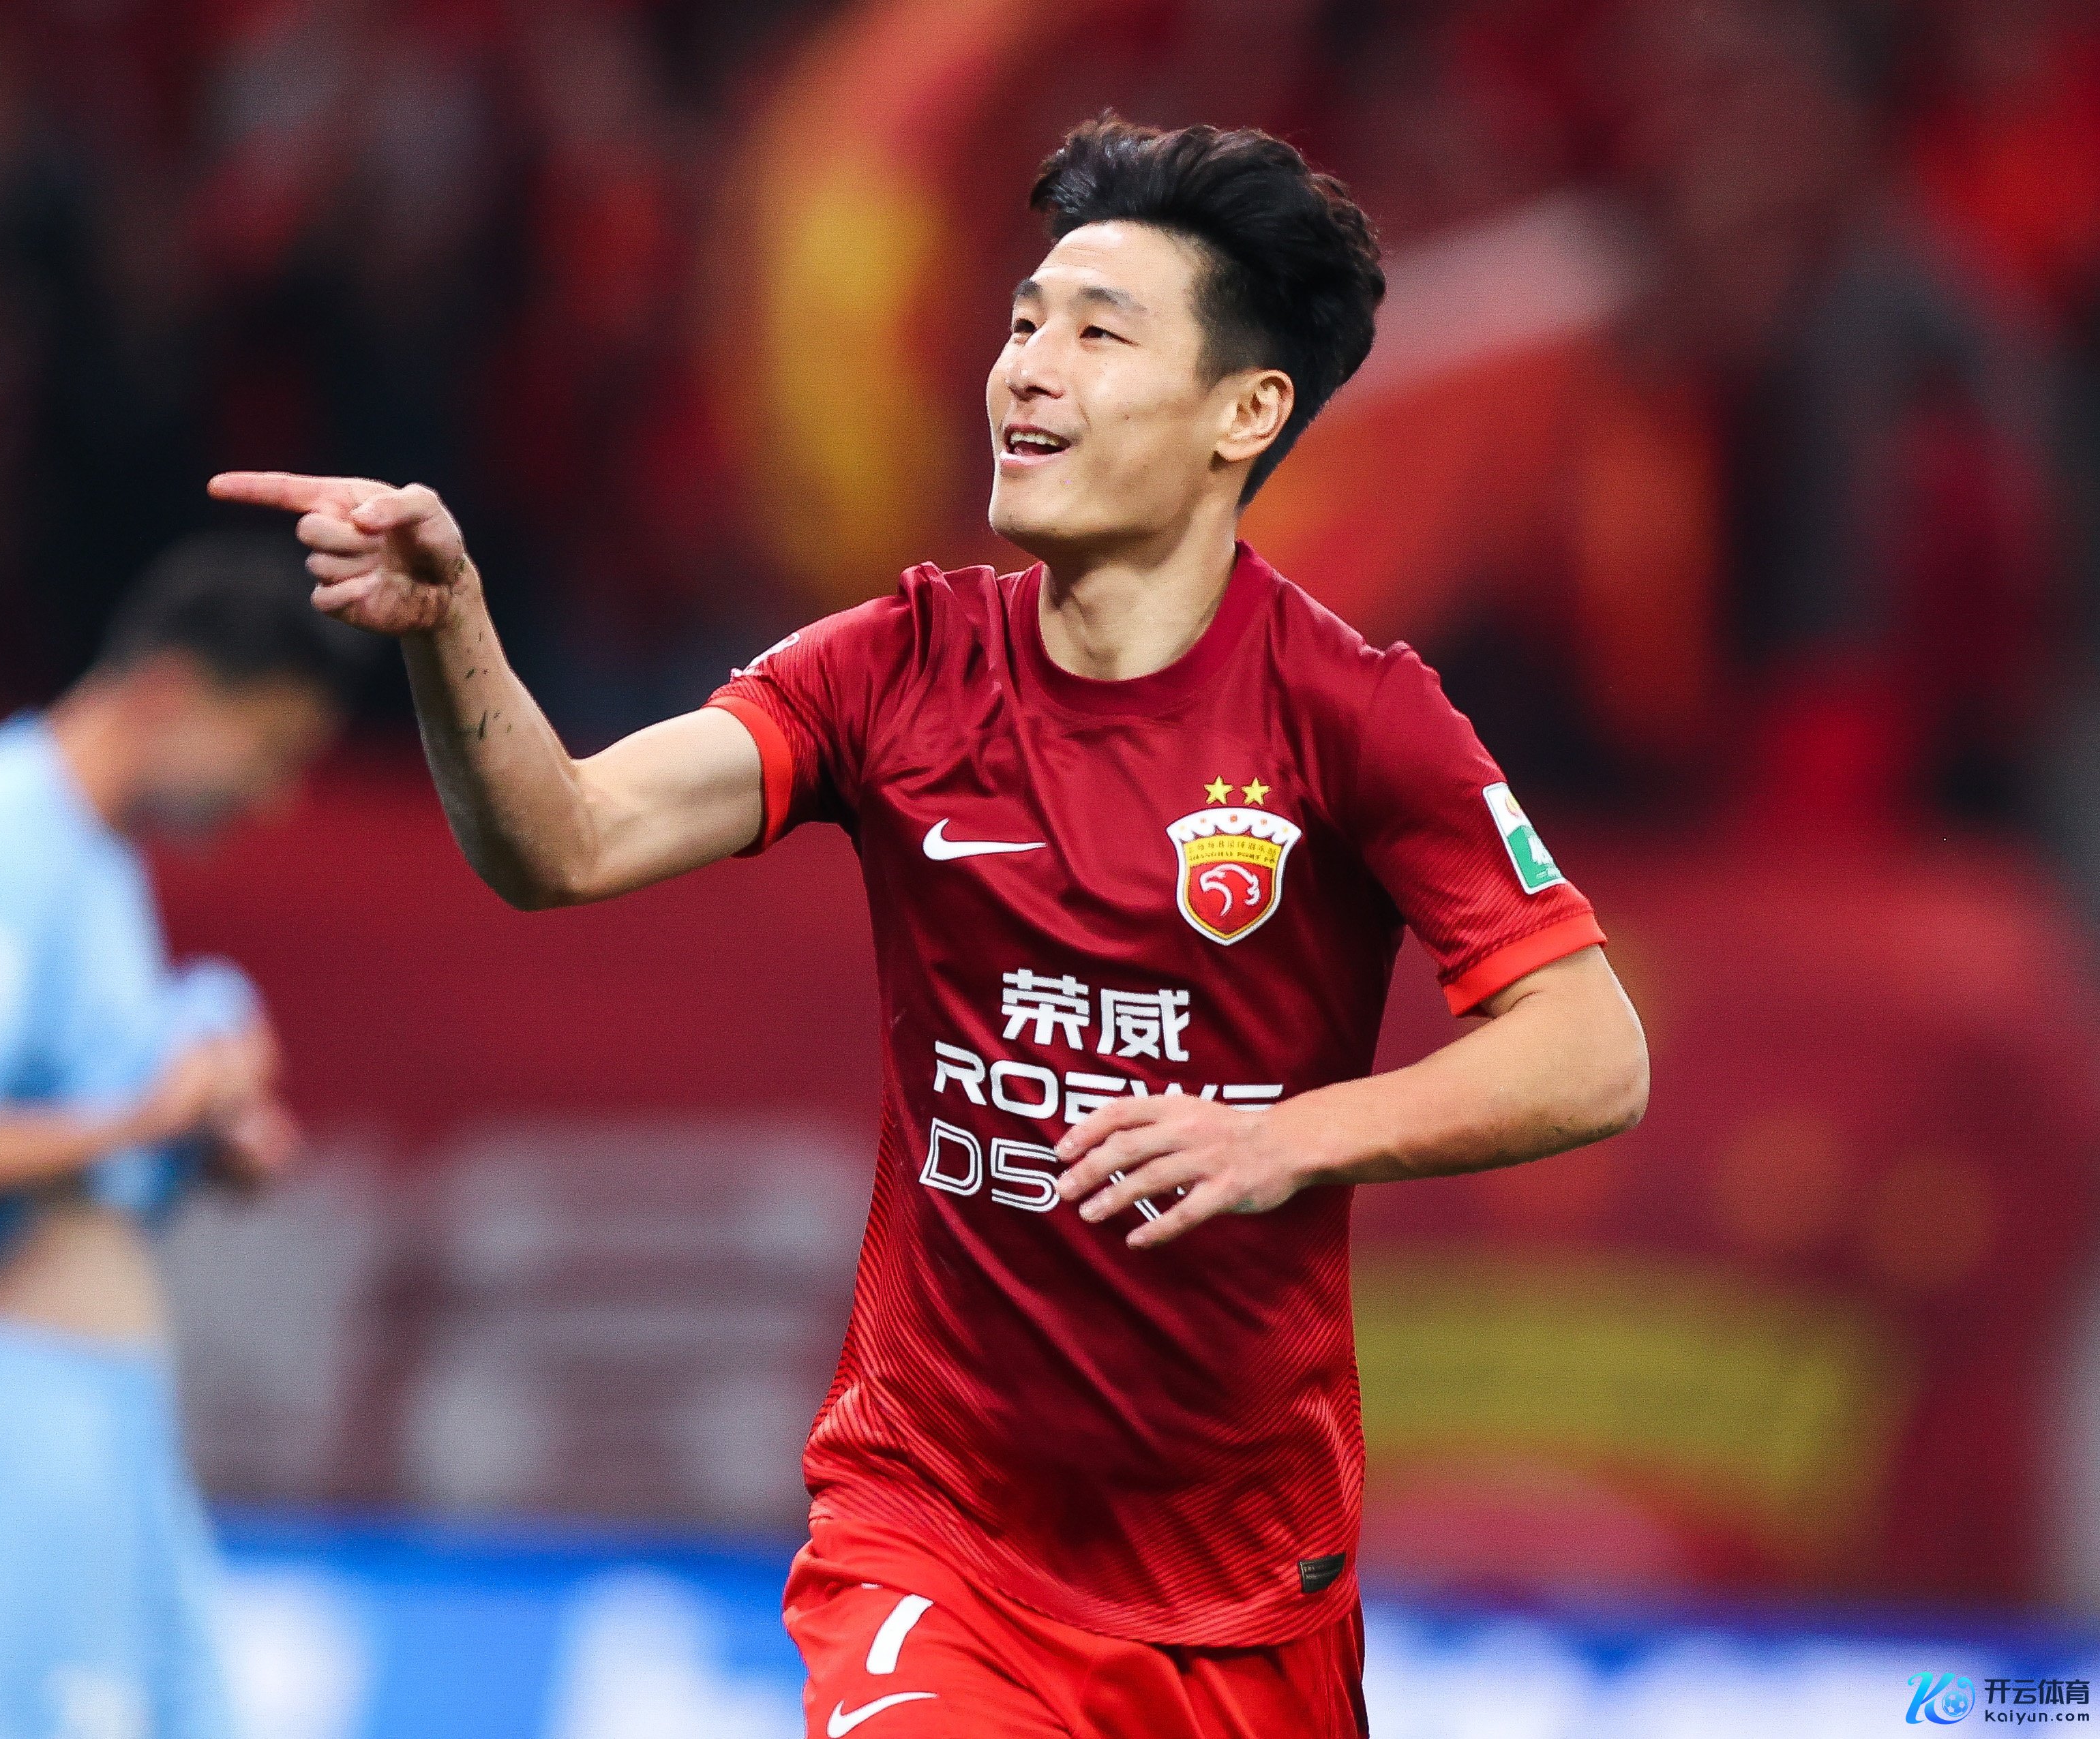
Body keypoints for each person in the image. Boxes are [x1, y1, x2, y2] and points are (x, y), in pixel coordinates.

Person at [213, 116, 1650, 1738]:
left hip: (1244, 1591)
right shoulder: (896, 666)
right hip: (932, 1539)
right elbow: (567, 840)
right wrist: (449, 629)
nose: (1025, 367)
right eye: (1022, 322)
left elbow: (1588, 1050)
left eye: (1097, 334)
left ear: (1242, 413)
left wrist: (1284, 1136)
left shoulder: (1353, 717)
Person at [0, 533, 350, 1739]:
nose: (269, 799)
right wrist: (150, 1113)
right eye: (267, 752)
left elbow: (78, 1144)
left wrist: (201, 1142)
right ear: (169, 694)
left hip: (105, 1430)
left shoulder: (95, 857)